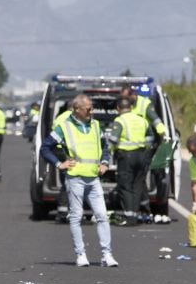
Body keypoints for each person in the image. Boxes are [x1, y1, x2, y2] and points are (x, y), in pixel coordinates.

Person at [40, 94, 118, 267]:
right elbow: (45, 148)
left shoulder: (96, 126)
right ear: (77, 109)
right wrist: (59, 164)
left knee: (102, 216)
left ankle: (107, 254)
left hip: (93, 178)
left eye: (91, 108)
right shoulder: (64, 128)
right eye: (88, 108)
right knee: (76, 217)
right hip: (75, 178)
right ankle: (80, 254)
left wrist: (104, 162)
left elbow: (104, 147)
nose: (91, 111)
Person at [121, 85, 167, 222]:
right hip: (131, 148)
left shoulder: (144, 104)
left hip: (145, 147)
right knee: (137, 180)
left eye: (126, 98)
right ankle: (140, 208)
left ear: (132, 95)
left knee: (139, 179)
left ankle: (143, 209)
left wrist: (163, 135)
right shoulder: (128, 106)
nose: (124, 101)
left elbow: (156, 120)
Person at [108, 97, 150, 226]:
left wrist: (108, 153)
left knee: (126, 186)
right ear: (131, 108)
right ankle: (135, 215)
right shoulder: (142, 120)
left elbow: (113, 139)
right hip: (142, 155)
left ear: (118, 109)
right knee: (138, 185)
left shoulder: (120, 120)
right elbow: (150, 138)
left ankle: (129, 216)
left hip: (127, 156)